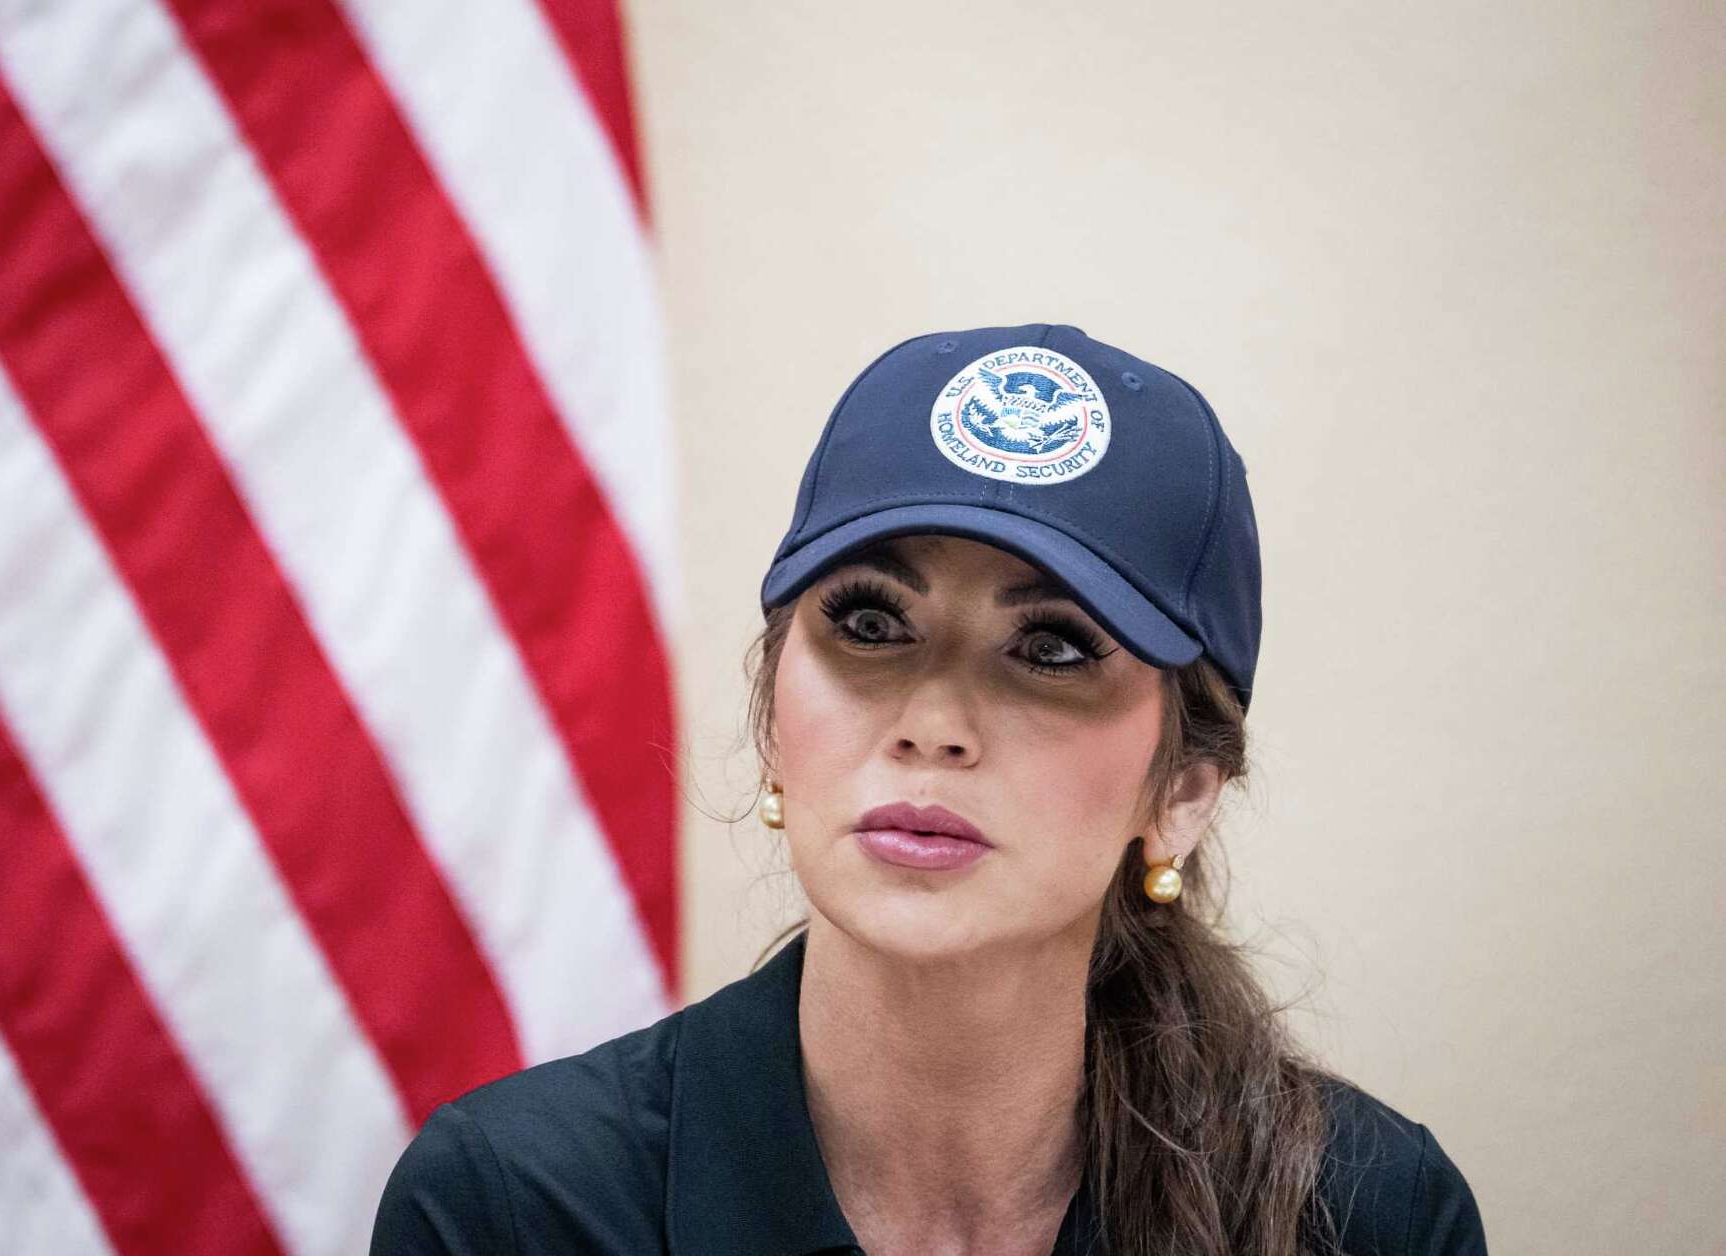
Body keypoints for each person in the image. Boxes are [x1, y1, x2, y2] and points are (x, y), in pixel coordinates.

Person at [370, 324, 1488, 1254]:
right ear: (770, 720)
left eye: (1050, 648)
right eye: (869, 623)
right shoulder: (511, 1207)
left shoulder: (1366, 1216)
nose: (933, 724)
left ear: (1183, 792)